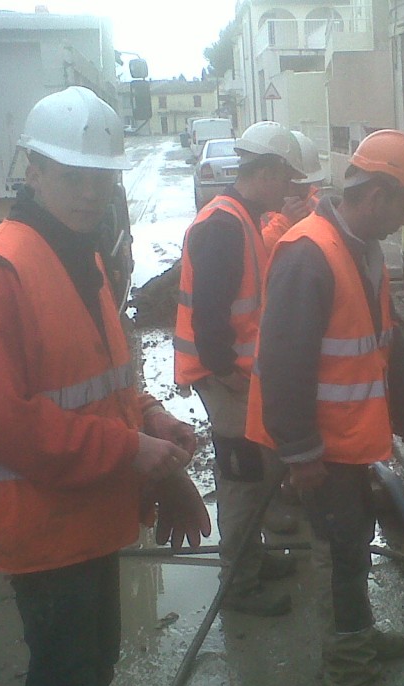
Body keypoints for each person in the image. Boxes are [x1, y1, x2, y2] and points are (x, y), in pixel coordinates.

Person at [0, 86, 208, 686]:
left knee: (93, 675)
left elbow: (105, 378)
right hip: (40, 531)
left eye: (101, 179)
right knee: (66, 685)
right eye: (73, 177)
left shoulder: (82, 257)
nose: (90, 194)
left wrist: (149, 419)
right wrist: (132, 452)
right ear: (34, 172)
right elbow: (8, 426)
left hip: (87, 517)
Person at [246, 129, 404, 686]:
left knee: (355, 543)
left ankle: (359, 635)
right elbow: (281, 362)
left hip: (348, 440)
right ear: (376, 194)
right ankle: (351, 679)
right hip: (318, 447)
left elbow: (385, 341)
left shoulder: (363, 248)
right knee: (343, 552)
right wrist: (301, 454)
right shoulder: (310, 252)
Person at [174, 121, 307, 616]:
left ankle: (251, 560)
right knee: (243, 477)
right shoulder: (224, 224)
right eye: (286, 177)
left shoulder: (242, 217)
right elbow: (209, 312)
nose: (291, 188)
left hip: (235, 372)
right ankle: (239, 585)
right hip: (224, 374)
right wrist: (225, 369)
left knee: (258, 469)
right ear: (267, 172)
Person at [260, 129, 327, 253]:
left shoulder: (317, 207)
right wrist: (284, 221)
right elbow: (256, 250)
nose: (303, 191)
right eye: (296, 184)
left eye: (306, 185)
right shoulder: (259, 207)